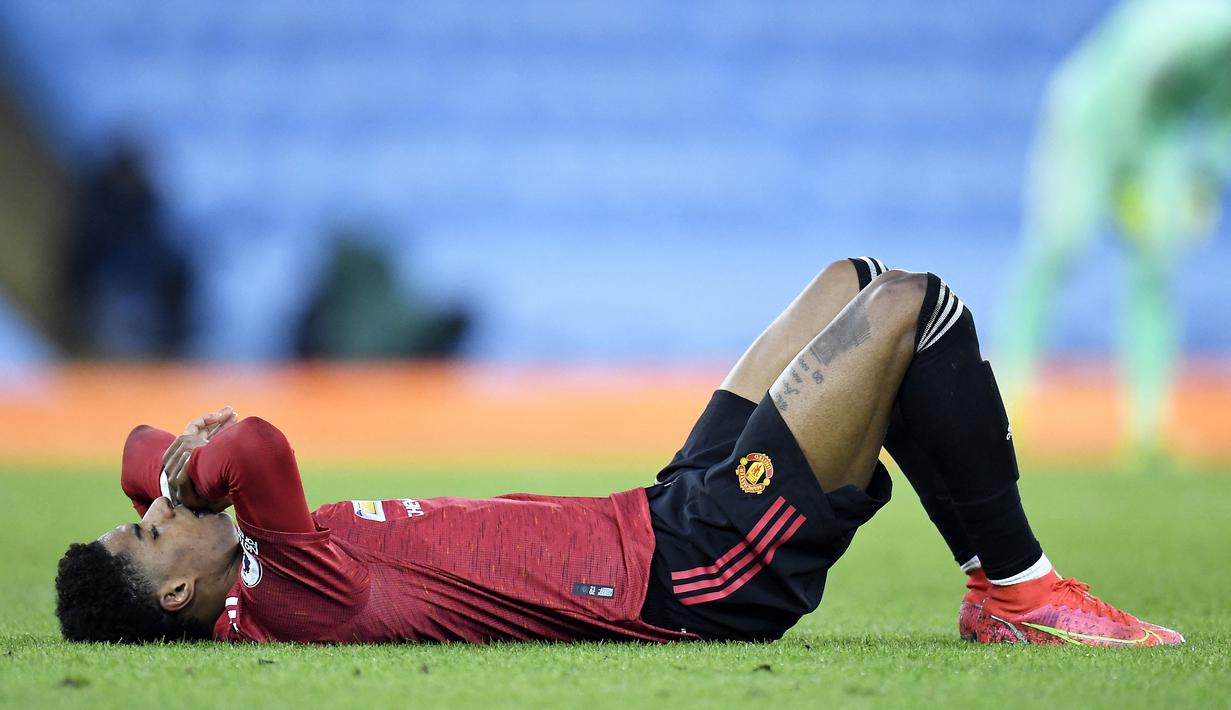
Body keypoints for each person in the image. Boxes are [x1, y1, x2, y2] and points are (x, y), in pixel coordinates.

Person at [54, 257, 1183, 646]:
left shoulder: (238, 572)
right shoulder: (283, 586)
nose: (161, 500)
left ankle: (1003, 591)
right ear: (184, 589)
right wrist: (195, 463)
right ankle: (1019, 589)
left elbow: (132, 452)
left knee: (846, 283)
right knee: (909, 309)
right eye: (156, 527)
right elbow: (246, 444)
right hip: (690, 573)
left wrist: (160, 481)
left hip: (655, 510)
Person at [1001, 0, 1231, 466]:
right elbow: (1145, 72)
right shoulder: (1209, 21)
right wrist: (1133, 186)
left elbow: (1220, 123)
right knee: (1058, 248)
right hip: (1091, 116)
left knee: (1157, 268)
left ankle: (1147, 430)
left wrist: (1202, 180)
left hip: (1157, 130)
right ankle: (1005, 409)